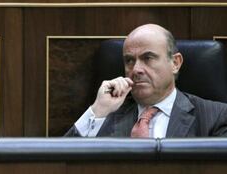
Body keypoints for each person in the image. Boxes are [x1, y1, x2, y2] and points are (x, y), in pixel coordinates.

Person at [65, 24, 227, 138]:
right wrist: (98, 111)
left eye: (148, 58)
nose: (136, 69)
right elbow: (64, 166)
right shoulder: (106, 114)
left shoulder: (216, 116)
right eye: (129, 60)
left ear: (175, 63)